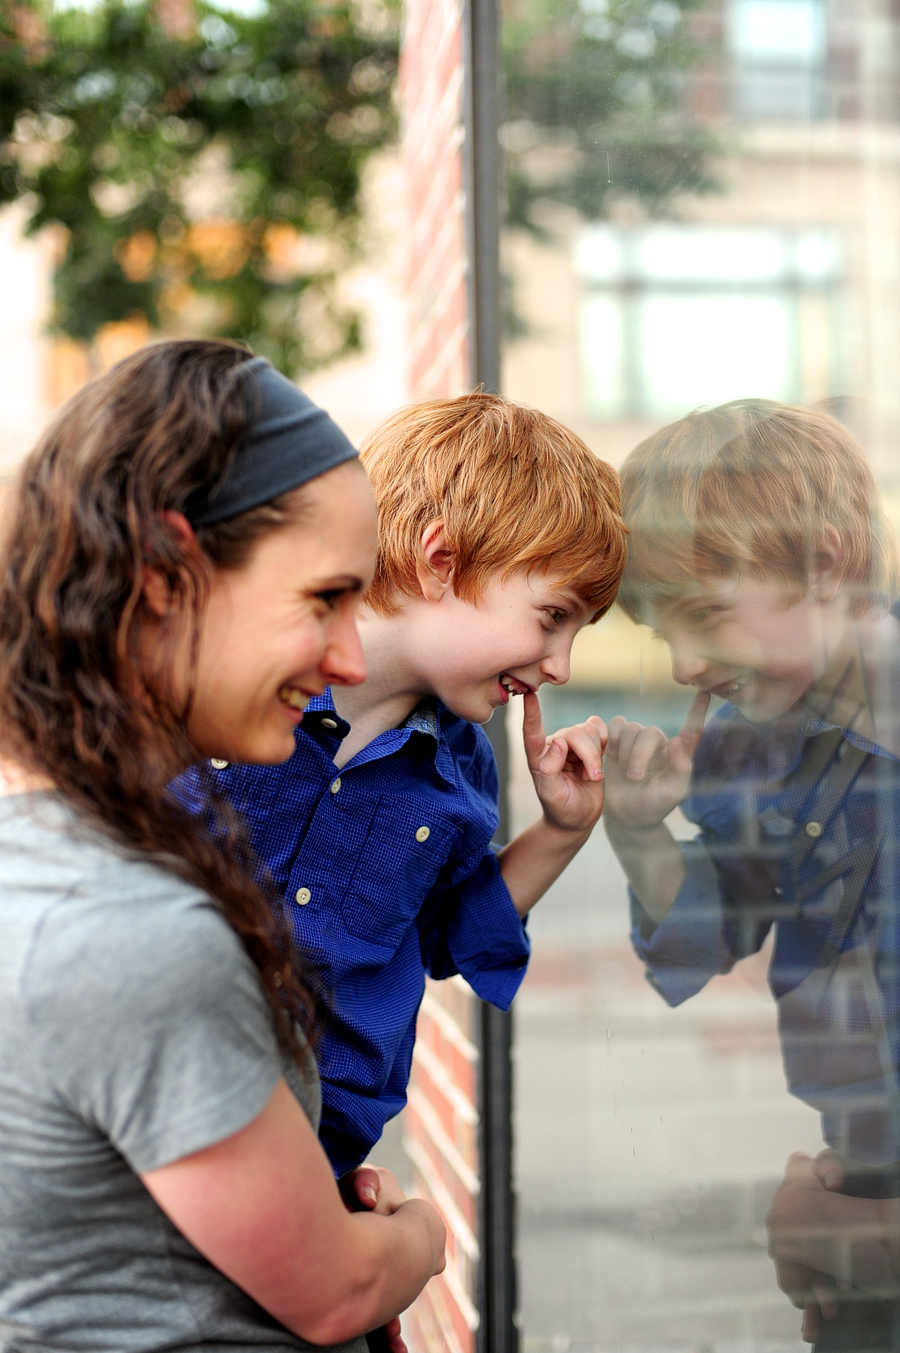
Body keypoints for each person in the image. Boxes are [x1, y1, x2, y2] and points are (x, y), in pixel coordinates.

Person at [0, 339, 445, 1353]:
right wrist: (417, 1240)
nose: (347, 655)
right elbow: (331, 1295)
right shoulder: (126, 928)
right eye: (324, 598)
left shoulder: (45, 844)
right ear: (166, 573)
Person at [175, 393, 628, 1175]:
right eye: (552, 615)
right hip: (158, 1136)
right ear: (440, 561)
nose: (560, 664)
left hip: (318, 1172)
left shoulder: (460, 772)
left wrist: (562, 829)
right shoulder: (218, 689)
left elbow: (451, 934)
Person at [601, 398, 900, 1350]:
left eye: (708, 615)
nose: (685, 663)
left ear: (827, 559)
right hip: (856, 1170)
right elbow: (705, 939)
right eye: (660, 633)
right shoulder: (741, 739)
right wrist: (643, 835)